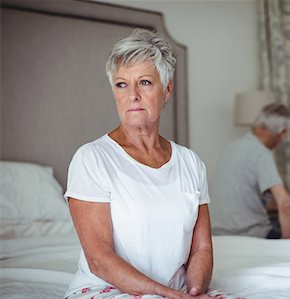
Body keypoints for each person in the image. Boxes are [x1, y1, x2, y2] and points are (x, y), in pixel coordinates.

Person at [64, 29, 215, 299]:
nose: (132, 94)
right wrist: (170, 296)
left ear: (167, 89)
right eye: (121, 84)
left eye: (144, 82)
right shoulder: (92, 159)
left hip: (178, 293)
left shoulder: (191, 163)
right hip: (107, 290)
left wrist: (192, 293)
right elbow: (99, 259)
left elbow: (201, 249)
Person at [211, 103, 290, 239]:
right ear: (282, 133)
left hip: (217, 236)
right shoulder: (261, 153)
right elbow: (285, 204)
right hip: (251, 235)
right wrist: (287, 244)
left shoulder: (230, 148)